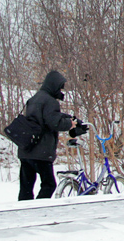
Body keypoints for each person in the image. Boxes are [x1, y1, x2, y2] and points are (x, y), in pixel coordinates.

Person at [17, 70, 86, 200]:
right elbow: (54, 122)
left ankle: (25, 209)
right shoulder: (50, 101)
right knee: (49, 185)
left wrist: (69, 118)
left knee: (26, 186)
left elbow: (45, 117)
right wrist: (70, 123)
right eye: (60, 87)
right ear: (54, 85)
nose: (60, 91)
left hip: (26, 150)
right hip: (41, 151)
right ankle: (40, 208)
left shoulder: (34, 99)